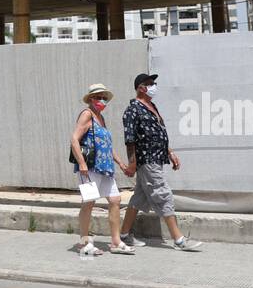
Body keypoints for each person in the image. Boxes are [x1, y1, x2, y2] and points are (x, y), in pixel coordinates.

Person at [119, 73, 203, 251]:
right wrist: (132, 163)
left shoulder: (152, 106)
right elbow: (130, 140)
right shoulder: (132, 110)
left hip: (157, 157)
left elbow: (158, 134)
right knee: (163, 194)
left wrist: (170, 152)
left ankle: (124, 235)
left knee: (139, 198)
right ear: (140, 88)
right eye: (149, 83)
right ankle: (179, 240)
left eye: (154, 83)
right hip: (147, 159)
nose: (153, 86)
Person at [69, 83, 136, 257]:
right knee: (89, 202)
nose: (102, 100)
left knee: (115, 200)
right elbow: (74, 139)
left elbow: (107, 146)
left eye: (104, 98)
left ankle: (116, 242)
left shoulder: (101, 118)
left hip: (105, 168)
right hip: (90, 168)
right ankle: (84, 243)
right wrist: (82, 163)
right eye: (98, 97)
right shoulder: (87, 114)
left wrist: (120, 163)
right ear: (91, 99)